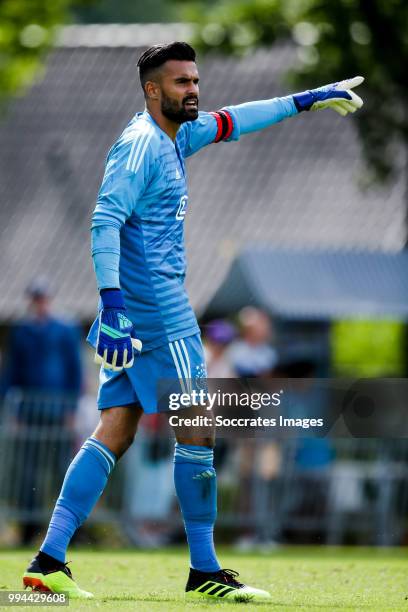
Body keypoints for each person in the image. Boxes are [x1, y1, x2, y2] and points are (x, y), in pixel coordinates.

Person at [22, 42, 364, 600]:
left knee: (116, 428)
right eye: (182, 82)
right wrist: (109, 304)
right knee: (199, 426)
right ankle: (204, 569)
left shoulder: (178, 134)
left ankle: (47, 560)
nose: (194, 91)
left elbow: (236, 120)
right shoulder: (140, 147)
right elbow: (103, 221)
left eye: (196, 80)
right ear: (152, 89)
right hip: (158, 308)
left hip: (139, 311)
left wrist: (303, 101)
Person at [1, 279, 82, 545]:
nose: (40, 303)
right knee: (28, 472)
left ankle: (69, 530)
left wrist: (72, 409)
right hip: (31, 411)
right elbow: (12, 371)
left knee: (63, 468)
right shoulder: (22, 331)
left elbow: (74, 370)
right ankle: (28, 530)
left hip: (59, 410)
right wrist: (12, 410)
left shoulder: (65, 328)